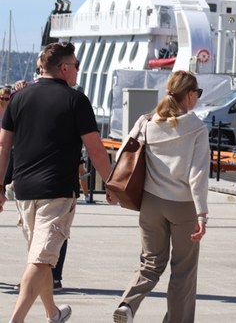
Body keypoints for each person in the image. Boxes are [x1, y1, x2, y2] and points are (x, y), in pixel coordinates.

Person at [0, 41, 113, 323]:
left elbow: (3, 146)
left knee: (42, 260)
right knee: (40, 261)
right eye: (76, 65)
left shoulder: (18, 98)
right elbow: (97, 150)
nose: (77, 70)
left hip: (23, 192)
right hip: (57, 193)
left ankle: (53, 313)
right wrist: (112, 184)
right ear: (64, 68)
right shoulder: (76, 101)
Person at [113, 71, 210, 323]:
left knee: (151, 262)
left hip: (151, 203)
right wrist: (202, 214)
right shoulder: (197, 129)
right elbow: (197, 175)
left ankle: (127, 305)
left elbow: (122, 155)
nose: (197, 98)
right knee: (183, 272)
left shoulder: (146, 122)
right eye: (197, 94)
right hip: (183, 205)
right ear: (189, 95)